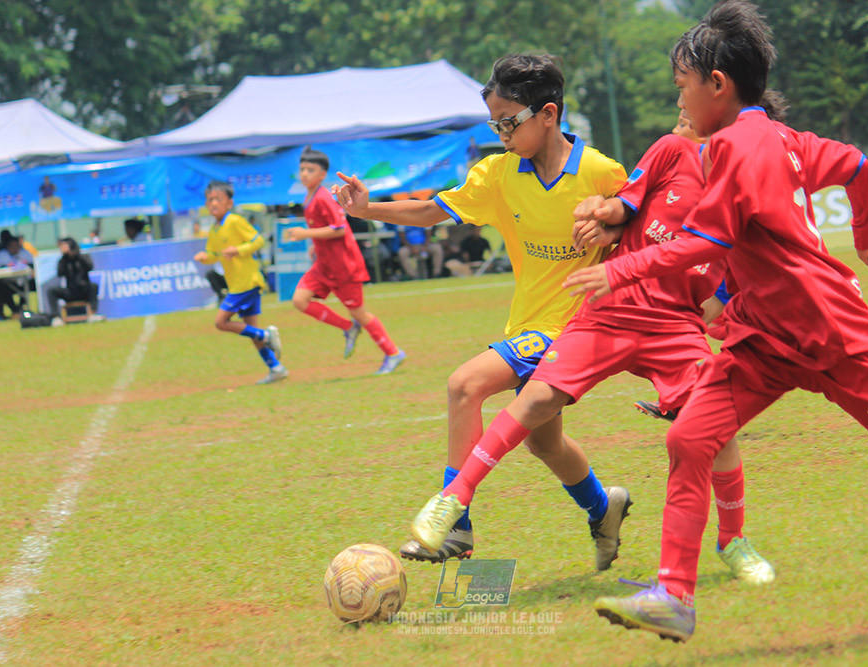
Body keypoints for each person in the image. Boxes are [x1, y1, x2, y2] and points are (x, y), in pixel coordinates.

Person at [561, 0, 868, 642]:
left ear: (717, 85)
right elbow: (858, 165)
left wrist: (618, 271)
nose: (681, 100)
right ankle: (673, 595)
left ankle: (676, 590)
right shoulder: (784, 138)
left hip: (830, 330)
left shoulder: (733, 147)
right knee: (688, 439)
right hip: (768, 340)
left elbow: (702, 241)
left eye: (682, 86)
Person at [409, 105, 776, 585]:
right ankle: (452, 501)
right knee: (537, 399)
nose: (681, 116)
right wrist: (603, 216)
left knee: (716, 430)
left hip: (673, 325)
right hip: (611, 305)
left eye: (690, 111)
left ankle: (734, 541)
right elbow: (628, 205)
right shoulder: (671, 151)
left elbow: (738, 281)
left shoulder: (751, 195)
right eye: (681, 111)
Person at [333, 53, 631, 569]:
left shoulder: (601, 172)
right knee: (545, 445)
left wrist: (609, 229)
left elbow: (638, 226)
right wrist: (366, 209)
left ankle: (456, 524)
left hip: (575, 329)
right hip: (528, 326)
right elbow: (432, 210)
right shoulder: (497, 173)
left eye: (509, 121)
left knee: (464, 384)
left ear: (549, 114)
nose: (501, 133)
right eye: (495, 123)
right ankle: (605, 509)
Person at [285, 147, 406, 374]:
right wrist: (314, 245)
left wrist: (306, 235)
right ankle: (348, 328)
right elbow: (323, 228)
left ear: (322, 175)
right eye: (302, 169)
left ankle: (393, 353)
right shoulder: (308, 197)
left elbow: (339, 229)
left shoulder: (323, 197)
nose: (304, 174)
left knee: (359, 311)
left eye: (310, 170)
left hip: (343, 266)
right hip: (324, 264)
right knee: (300, 300)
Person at [193, 181, 287, 385]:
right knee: (250, 332)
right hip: (238, 284)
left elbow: (258, 240)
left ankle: (266, 334)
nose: (213, 203)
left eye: (218, 199)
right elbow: (214, 254)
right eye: (210, 200)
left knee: (221, 322)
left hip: (246, 281)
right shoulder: (215, 229)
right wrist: (205, 257)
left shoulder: (234, 221)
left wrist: (239, 250)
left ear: (229, 203)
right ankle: (276, 368)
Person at [47, 238, 101, 326]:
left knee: (93, 286)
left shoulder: (83, 257)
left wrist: (76, 254)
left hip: (84, 290)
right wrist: (65, 257)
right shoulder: (63, 260)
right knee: (51, 290)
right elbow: (60, 273)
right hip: (70, 292)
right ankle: (56, 318)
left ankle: (93, 314)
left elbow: (89, 266)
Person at [0, 230, 34, 319]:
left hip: (25, 280)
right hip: (7, 280)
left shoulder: (25, 253)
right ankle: (15, 311)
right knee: (0, 287)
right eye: (12, 246)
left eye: (16, 246)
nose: (14, 248)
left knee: (27, 286)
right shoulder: (2, 254)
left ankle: (20, 310)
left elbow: (32, 265)